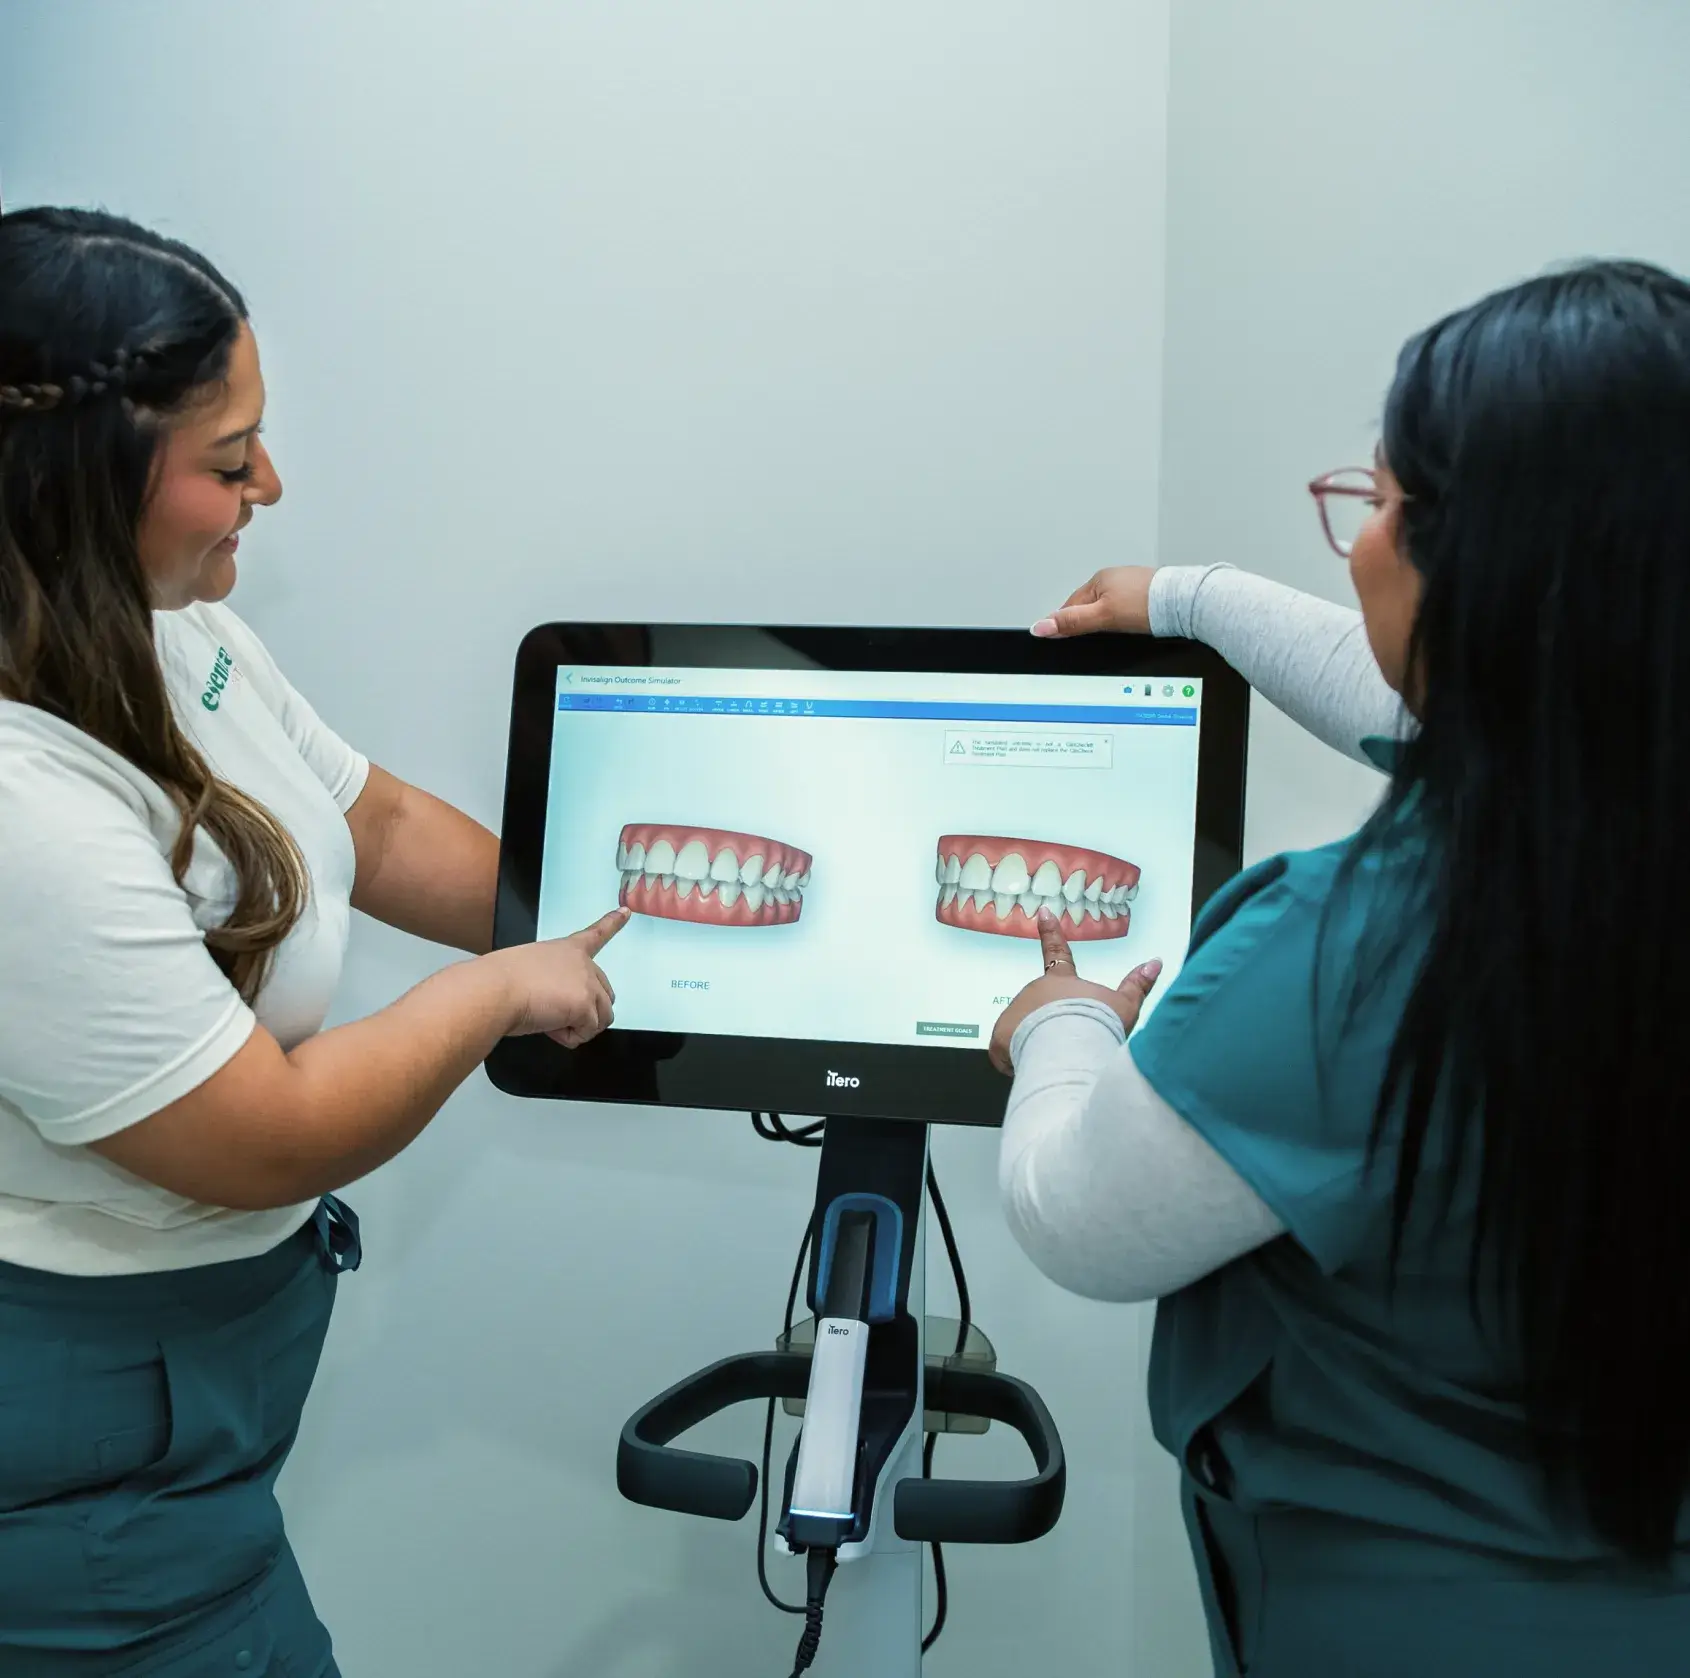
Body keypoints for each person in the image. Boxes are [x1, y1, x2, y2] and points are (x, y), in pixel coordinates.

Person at [990, 261, 1690, 1675]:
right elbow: (1417, 694)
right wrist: (1180, 597)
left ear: (1484, 569)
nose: (1356, 542)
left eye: (1380, 503)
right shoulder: (1621, 789)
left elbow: (1074, 1212)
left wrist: (1059, 1025)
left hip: (1413, 1621)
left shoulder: (1348, 958)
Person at [0, 208, 626, 1676]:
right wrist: (493, 997)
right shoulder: (20, 802)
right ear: (71, 484)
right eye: (228, 463)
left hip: (198, 1425)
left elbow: (380, 824)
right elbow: (262, 1135)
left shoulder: (167, 630)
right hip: (82, 1474)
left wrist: (628, 928)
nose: (269, 486)